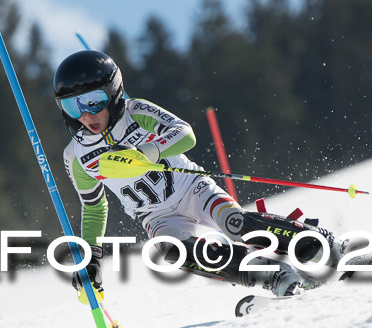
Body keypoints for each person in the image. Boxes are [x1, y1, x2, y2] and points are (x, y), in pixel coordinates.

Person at [53, 50, 347, 298]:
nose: (86, 115)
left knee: (234, 224)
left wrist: (148, 153)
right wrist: (90, 258)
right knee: (173, 251)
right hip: (156, 217)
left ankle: (319, 243)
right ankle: (274, 277)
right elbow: (93, 207)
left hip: (192, 188)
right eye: (72, 105)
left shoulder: (136, 111)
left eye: (93, 101)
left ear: (113, 93)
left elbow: (185, 135)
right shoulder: (75, 156)